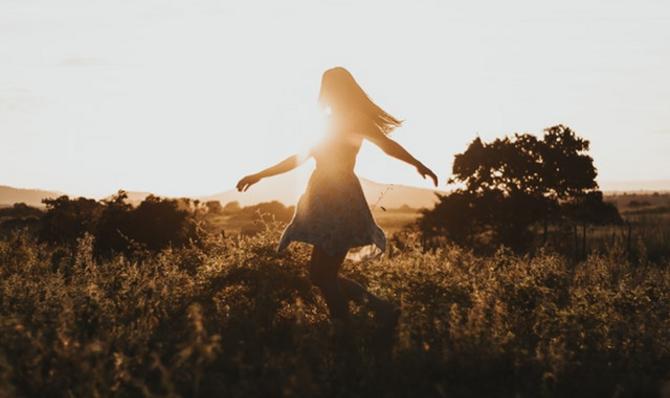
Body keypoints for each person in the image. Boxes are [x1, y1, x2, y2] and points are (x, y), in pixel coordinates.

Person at [236, 67, 438, 334]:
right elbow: (297, 158)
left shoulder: (354, 120)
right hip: (324, 198)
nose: (324, 93)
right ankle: (380, 310)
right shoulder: (328, 122)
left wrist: (417, 164)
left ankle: (349, 326)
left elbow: (387, 146)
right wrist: (260, 174)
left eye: (328, 88)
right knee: (320, 275)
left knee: (323, 275)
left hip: (339, 199)